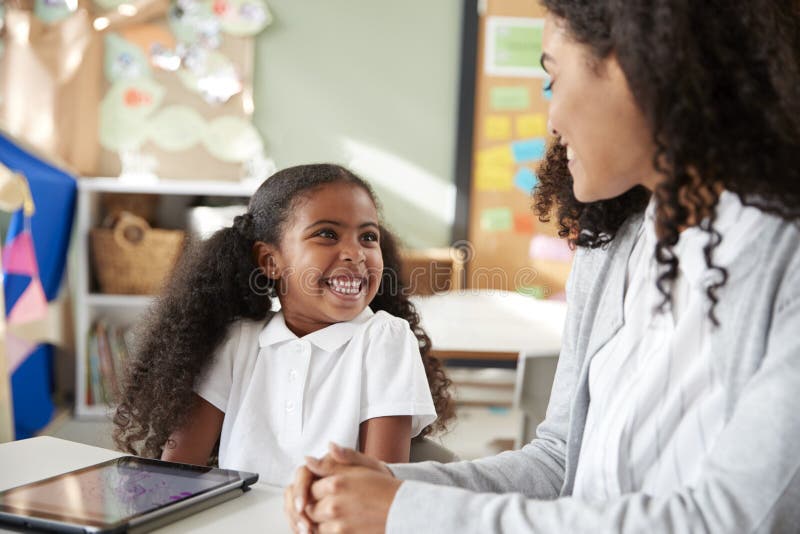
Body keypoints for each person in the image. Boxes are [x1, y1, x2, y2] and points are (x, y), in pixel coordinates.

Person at [284, 0, 800, 531]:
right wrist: (384, 485)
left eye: (552, 77)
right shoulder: (615, 245)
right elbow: (558, 463)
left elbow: (735, 519)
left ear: (639, 65)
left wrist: (404, 510)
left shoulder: (782, 256)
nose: (550, 116)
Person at [113, 163, 455, 486]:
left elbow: (380, 490)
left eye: (368, 237)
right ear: (270, 260)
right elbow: (177, 470)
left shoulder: (385, 339)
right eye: (326, 234)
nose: (356, 253)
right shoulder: (237, 342)